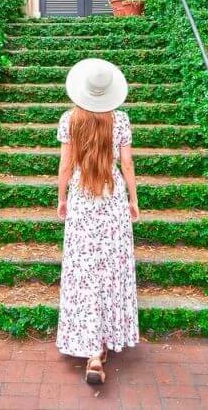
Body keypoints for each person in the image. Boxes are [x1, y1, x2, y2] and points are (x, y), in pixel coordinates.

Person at [55, 58, 140, 386]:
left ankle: (89, 346)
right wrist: (133, 200)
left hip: (82, 200)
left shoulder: (69, 119)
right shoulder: (120, 119)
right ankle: (101, 345)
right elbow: (128, 164)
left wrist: (62, 198)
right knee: (109, 270)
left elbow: (65, 166)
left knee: (85, 271)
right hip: (112, 198)